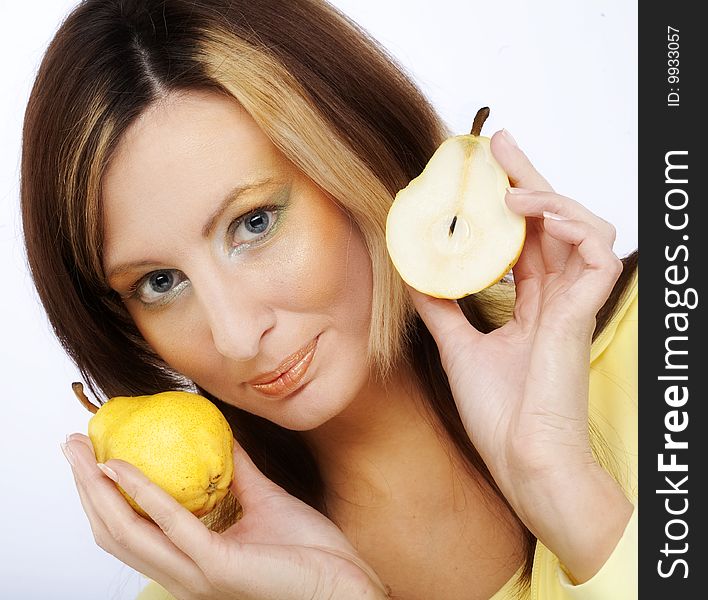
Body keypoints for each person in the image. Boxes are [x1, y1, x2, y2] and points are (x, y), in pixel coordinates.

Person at [21, 1, 638, 598]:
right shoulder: (207, 583)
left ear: (356, 158)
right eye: (159, 283)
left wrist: (566, 490)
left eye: (254, 223)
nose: (234, 336)